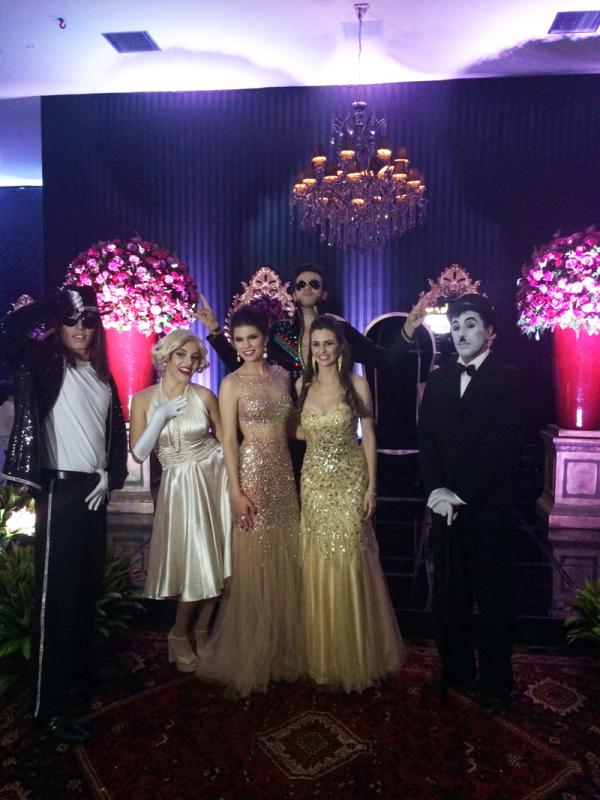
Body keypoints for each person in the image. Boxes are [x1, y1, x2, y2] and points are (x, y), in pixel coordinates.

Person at [0, 287, 127, 743]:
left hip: (93, 490)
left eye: (88, 320)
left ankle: (83, 673)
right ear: (59, 323)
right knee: (55, 601)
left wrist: (111, 475)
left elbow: (113, 435)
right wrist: (55, 303)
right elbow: (9, 333)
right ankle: (47, 709)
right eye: (71, 320)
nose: (80, 328)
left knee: (86, 589)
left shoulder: (103, 377)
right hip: (59, 490)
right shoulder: (45, 362)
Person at [417, 293, 525, 716]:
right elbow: (427, 440)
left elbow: (504, 445)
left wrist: (462, 494)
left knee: (494, 600)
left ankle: (496, 684)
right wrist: (436, 491)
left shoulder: (509, 378)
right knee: (450, 597)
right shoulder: (439, 379)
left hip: (488, 509)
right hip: (444, 508)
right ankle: (457, 668)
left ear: (490, 332)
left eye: (471, 324)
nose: (461, 333)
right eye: (456, 325)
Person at [196, 305, 304, 697]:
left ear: (265, 337)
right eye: (239, 340)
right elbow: (228, 439)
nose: (245, 346)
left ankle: (282, 649)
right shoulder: (231, 383)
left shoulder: (283, 376)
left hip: (284, 472)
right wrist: (235, 491)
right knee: (255, 560)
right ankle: (254, 653)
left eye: (252, 338)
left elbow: (293, 428)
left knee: (285, 555)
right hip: (253, 471)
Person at [295, 316, 406, 691]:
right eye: (316, 345)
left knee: (350, 557)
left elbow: (369, 436)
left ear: (341, 346)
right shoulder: (302, 385)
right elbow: (297, 430)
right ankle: (322, 654)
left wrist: (372, 487)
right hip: (314, 482)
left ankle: (356, 651)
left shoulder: (357, 383)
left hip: (350, 479)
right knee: (319, 560)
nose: (322, 351)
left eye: (329, 343)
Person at [129, 329, 231, 673]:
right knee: (196, 566)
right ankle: (177, 632)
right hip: (181, 488)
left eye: (193, 357)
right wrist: (160, 415)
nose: (188, 363)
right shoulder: (143, 399)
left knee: (221, 565)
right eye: (181, 355)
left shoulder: (204, 396)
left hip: (215, 479)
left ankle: (201, 630)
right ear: (167, 357)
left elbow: (227, 444)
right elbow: (139, 453)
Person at [196, 263, 426, 378]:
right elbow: (246, 368)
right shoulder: (279, 332)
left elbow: (385, 360)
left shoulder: (340, 330)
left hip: (330, 421)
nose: (307, 288)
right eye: (301, 285)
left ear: (323, 293)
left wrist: (408, 328)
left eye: (314, 284)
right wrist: (215, 330)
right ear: (294, 294)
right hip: (289, 425)